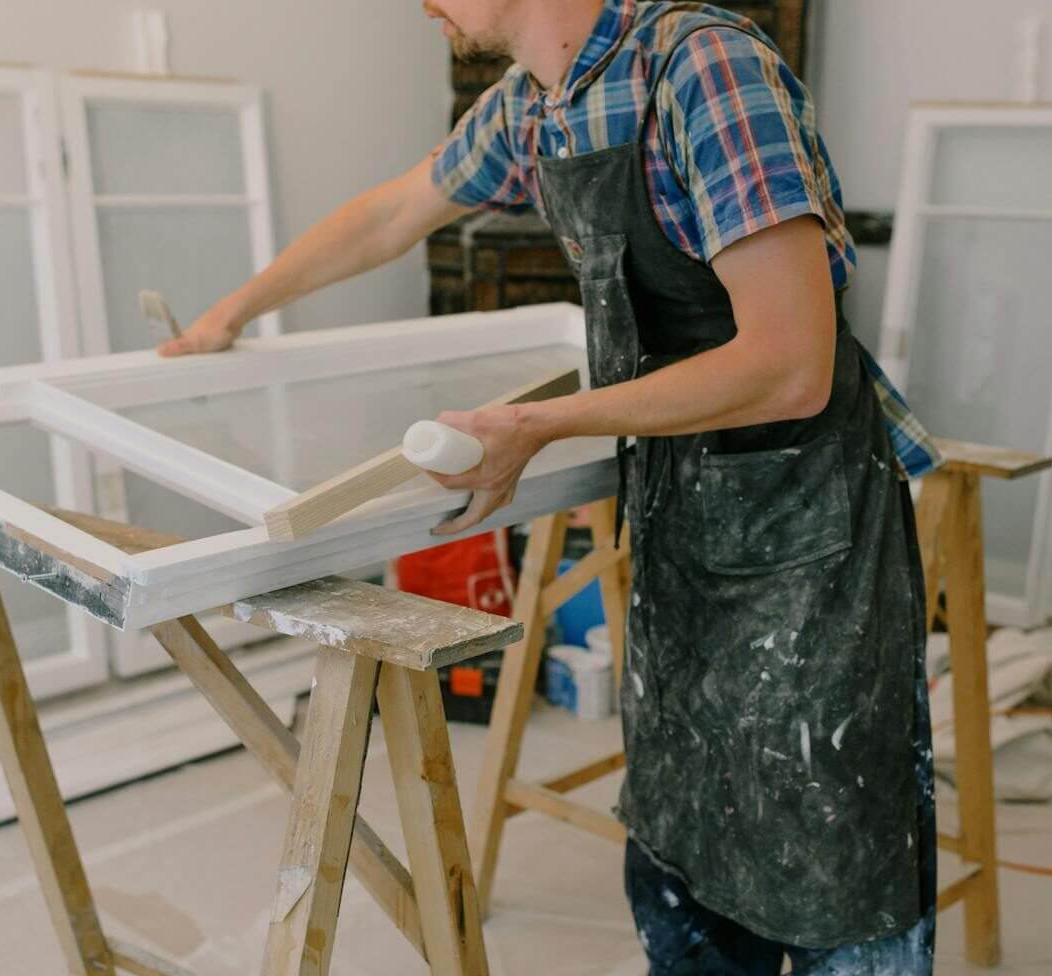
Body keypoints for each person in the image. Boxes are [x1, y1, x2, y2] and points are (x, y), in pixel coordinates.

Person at [159, 2, 941, 972]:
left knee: (828, 859)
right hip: (678, 513)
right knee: (686, 849)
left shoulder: (706, 72)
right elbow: (393, 213)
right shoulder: (536, 105)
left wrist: (534, 425)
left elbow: (790, 365)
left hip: (806, 527)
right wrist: (228, 317)